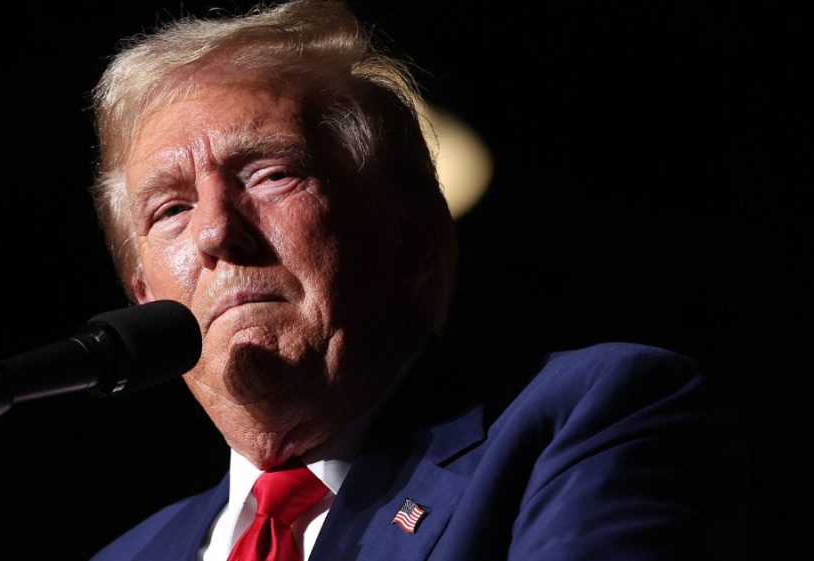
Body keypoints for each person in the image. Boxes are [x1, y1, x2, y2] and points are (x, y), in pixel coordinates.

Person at [88, 1, 748, 560]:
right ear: (144, 296)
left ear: (406, 237)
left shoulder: (588, 416)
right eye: (170, 208)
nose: (214, 232)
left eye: (269, 174)